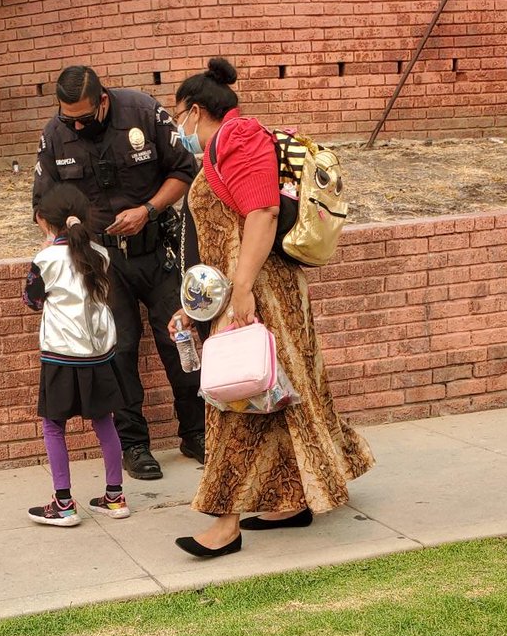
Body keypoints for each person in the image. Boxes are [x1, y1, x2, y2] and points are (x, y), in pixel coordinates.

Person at [168, 58, 375, 558]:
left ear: (195, 111)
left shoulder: (237, 139)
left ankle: (225, 523)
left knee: (236, 399)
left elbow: (260, 212)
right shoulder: (227, 142)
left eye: (178, 117)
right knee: (281, 394)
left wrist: (241, 292)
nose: (178, 129)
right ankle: (294, 497)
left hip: (258, 293)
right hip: (246, 289)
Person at [33, 66, 205, 482]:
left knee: (178, 339)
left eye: (84, 118)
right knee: (119, 349)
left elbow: (183, 171)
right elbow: (42, 207)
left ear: (103, 100)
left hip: (155, 249)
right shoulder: (55, 135)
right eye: (67, 117)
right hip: (103, 262)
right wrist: (72, 244)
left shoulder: (144, 111)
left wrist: (149, 210)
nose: (75, 124)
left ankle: (197, 433)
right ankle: (134, 445)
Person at [22, 184, 130, 527]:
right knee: (104, 421)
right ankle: (114, 497)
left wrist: (44, 253)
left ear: (43, 221)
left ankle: (64, 504)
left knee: (53, 426)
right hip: (98, 354)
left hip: (61, 356)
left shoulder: (45, 260)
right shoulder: (101, 253)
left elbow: (32, 300)